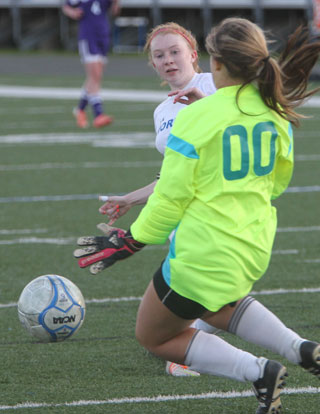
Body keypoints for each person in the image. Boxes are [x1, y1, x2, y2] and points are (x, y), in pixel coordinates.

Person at [74, 18, 320, 414]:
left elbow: (171, 197)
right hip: (253, 244)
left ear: (212, 63)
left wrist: (131, 240)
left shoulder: (193, 118)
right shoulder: (275, 112)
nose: (169, 60)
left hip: (204, 248)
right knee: (216, 303)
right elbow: (276, 183)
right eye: (160, 55)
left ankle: (259, 371)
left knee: (154, 335)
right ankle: (300, 347)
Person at [98, 22, 218, 376]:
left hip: (216, 204)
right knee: (203, 287)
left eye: (175, 51)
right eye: (159, 55)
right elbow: (172, 173)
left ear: (193, 55)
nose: (168, 60)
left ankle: (192, 348)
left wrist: (207, 106)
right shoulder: (162, 112)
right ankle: (192, 340)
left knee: (201, 283)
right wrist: (131, 199)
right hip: (180, 209)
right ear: (153, 65)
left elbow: (237, 128)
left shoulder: (215, 85)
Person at [62, 0, 120, 128]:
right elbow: (66, 6)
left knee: (95, 77)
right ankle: (98, 114)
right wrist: (72, 12)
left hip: (103, 35)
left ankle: (80, 109)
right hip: (88, 36)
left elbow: (114, 11)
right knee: (95, 76)